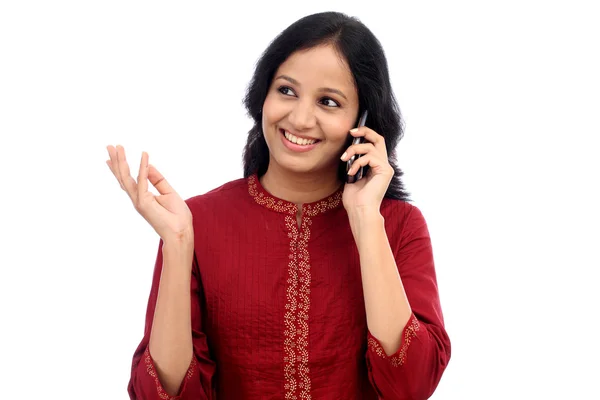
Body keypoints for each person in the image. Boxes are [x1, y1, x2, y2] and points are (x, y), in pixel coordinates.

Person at [106, 11, 451, 400]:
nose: (301, 118)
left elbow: (412, 385)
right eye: (286, 90)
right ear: (262, 94)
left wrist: (366, 220)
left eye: (328, 101)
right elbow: (162, 395)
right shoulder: (196, 221)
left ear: (364, 120)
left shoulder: (399, 225)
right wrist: (179, 244)